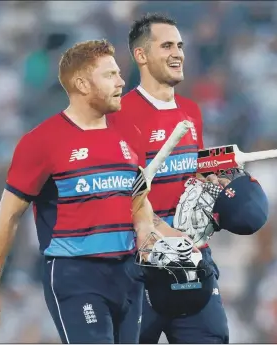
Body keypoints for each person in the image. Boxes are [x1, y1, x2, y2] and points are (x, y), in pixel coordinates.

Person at [0, 39, 188, 344]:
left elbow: (138, 205)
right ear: (81, 84)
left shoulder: (130, 134)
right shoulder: (42, 141)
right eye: (109, 75)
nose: (121, 82)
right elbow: (7, 218)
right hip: (76, 275)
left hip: (128, 275)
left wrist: (166, 235)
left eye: (119, 73)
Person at [109, 14, 230, 344]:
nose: (178, 53)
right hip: (142, 268)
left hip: (193, 259)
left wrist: (221, 183)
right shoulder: (118, 116)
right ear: (141, 56)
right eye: (167, 45)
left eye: (180, 45)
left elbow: (195, 178)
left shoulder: (191, 111)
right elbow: (121, 195)